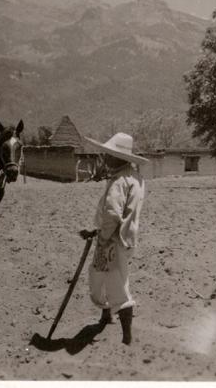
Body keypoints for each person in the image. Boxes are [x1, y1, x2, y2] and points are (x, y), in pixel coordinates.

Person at [81, 132, 148, 345]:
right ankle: (105, 315)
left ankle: (127, 337)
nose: (106, 158)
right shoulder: (135, 177)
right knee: (102, 275)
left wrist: (102, 236)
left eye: (109, 154)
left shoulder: (119, 181)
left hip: (113, 240)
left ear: (118, 157)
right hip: (127, 237)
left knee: (117, 285)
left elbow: (112, 215)